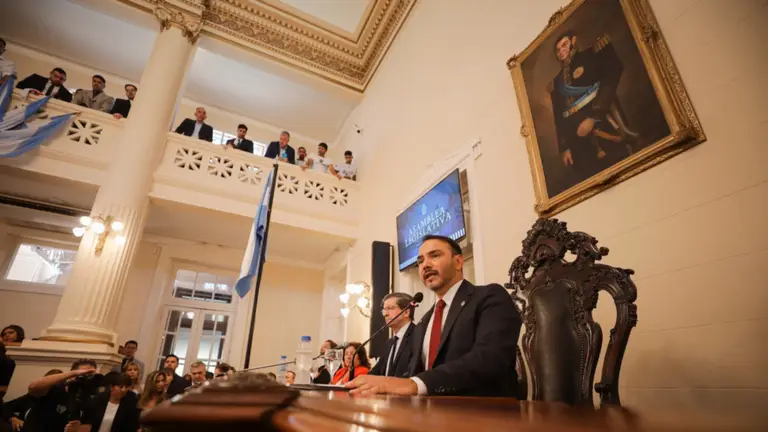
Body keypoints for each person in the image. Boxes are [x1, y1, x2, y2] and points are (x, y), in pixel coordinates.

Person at [346, 235, 522, 397]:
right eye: (420, 261)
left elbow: (490, 358)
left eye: (435, 255)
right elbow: (415, 372)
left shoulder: (489, 296)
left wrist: (415, 384)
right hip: (427, 412)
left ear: (458, 262)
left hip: (486, 411)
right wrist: (382, 388)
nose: (425, 265)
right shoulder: (425, 320)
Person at [550, 31, 638, 190]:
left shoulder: (590, 56)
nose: (561, 51)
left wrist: (593, 117)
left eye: (564, 45)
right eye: (558, 50)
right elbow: (559, 116)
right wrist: (565, 147)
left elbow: (609, 78)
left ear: (573, 41)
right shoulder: (558, 82)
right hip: (577, 140)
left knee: (624, 174)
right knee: (590, 183)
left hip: (602, 125)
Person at [22, 359, 98, 432]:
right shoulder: (55, 389)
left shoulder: (90, 400)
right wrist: (75, 373)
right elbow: (33, 387)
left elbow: (87, 426)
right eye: (83, 375)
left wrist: (77, 430)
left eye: (90, 375)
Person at [368, 293, 416, 378]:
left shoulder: (418, 336)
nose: (385, 314)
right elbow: (376, 372)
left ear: (406, 312)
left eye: (390, 308)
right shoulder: (389, 343)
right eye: (384, 309)